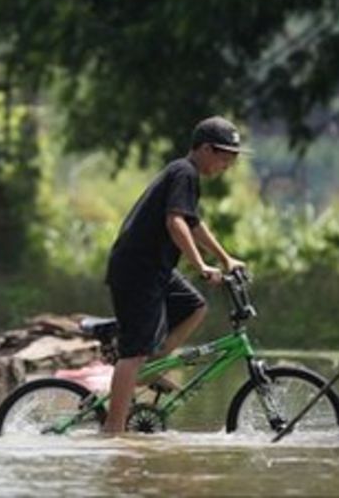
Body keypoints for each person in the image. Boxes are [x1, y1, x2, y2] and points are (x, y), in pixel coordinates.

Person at [102, 116, 247, 434]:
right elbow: (176, 223)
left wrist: (225, 259)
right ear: (206, 149)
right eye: (225, 157)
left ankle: (150, 367)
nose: (227, 165)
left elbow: (193, 222)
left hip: (155, 269)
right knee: (134, 351)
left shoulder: (186, 176)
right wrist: (201, 266)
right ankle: (113, 431)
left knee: (194, 307)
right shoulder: (184, 172)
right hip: (137, 270)